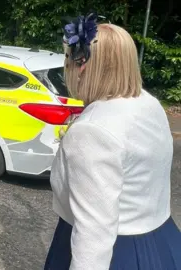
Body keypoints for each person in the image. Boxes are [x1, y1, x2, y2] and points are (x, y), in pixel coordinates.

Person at [44, 15, 181, 269]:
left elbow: (93, 235)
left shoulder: (92, 130)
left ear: (82, 65)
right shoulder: (149, 103)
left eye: (68, 59)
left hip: (118, 253)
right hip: (163, 239)